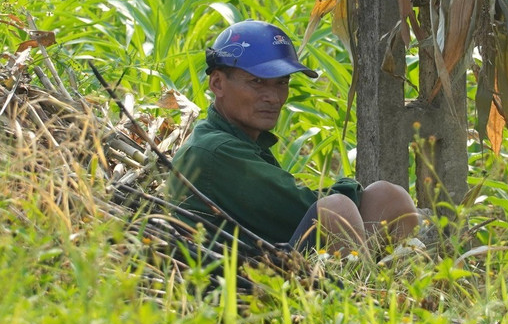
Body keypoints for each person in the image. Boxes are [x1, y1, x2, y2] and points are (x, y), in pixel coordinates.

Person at [168, 19, 419, 254]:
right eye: (257, 82)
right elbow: (299, 208)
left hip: (268, 260)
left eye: (282, 83)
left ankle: (392, 281)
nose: (274, 97)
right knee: (337, 209)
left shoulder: (242, 139)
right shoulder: (213, 150)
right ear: (217, 84)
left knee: (389, 197)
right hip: (239, 278)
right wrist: (351, 190)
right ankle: (363, 285)